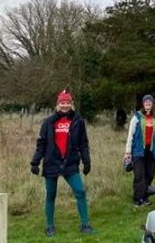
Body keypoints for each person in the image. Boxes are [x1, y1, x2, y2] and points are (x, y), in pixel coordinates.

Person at [30, 90, 93, 237]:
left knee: (80, 191)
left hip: (70, 163)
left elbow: (83, 143)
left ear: (72, 104)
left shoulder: (78, 121)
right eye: (62, 103)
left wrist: (86, 161)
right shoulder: (48, 122)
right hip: (52, 162)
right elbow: (42, 144)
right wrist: (35, 162)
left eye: (67, 103)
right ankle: (49, 226)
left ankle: (85, 224)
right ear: (58, 105)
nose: (65, 105)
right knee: (51, 195)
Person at [124, 94, 155, 206]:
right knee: (139, 175)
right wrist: (128, 151)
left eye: (150, 102)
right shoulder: (136, 117)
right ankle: (137, 199)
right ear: (143, 104)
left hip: (152, 151)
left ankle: (145, 197)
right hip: (138, 151)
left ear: (152, 104)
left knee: (150, 175)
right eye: (146, 102)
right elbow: (130, 135)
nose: (148, 104)